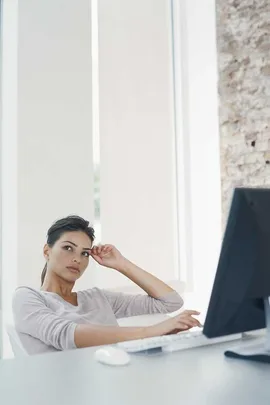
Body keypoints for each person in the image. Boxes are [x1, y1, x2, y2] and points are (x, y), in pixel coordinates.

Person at [12, 215, 201, 355]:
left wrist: (122, 264)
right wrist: (151, 332)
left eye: (85, 253)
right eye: (68, 248)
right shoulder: (27, 297)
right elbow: (66, 335)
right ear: (47, 251)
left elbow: (170, 302)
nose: (77, 258)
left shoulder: (97, 298)